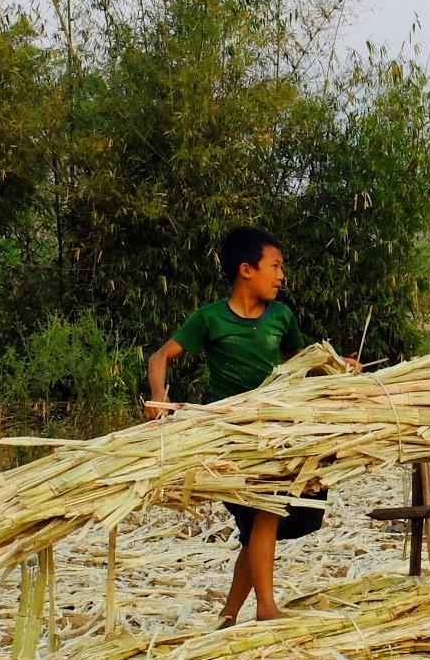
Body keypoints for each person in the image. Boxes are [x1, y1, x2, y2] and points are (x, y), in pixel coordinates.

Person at [147, 227, 344, 625]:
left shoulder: (282, 318)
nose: (281, 275)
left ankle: (228, 614)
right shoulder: (211, 318)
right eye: (274, 266)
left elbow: (303, 362)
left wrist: (341, 370)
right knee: (265, 513)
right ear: (246, 270)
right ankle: (266, 609)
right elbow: (159, 358)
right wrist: (159, 402)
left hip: (277, 432)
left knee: (268, 525)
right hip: (233, 438)